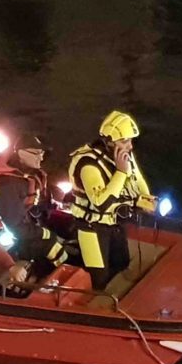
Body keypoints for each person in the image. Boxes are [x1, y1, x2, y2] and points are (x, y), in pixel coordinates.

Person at [67, 111, 158, 290]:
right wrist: (121, 172)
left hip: (114, 222)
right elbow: (101, 203)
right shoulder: (88, 164)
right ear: (109, 141)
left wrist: (147, 199)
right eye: (124, 141)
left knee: (121, 263)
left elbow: (137, 178)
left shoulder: (123, 155)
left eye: (130, 141)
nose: (130, 146)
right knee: (99, 278)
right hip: (92, 227)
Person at [0, 134, 70, 278]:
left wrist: (58, 205)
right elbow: (15, 227)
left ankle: (57, 273)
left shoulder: (29, 176)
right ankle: (63, 278)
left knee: (60, 241)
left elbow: (38, 202)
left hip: (26, 227)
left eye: (42, 153)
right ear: (22, 154)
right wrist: (44, 233)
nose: (41, 157)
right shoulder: (9, 184)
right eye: (37, 153)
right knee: (52, 246)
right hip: (9, 235)